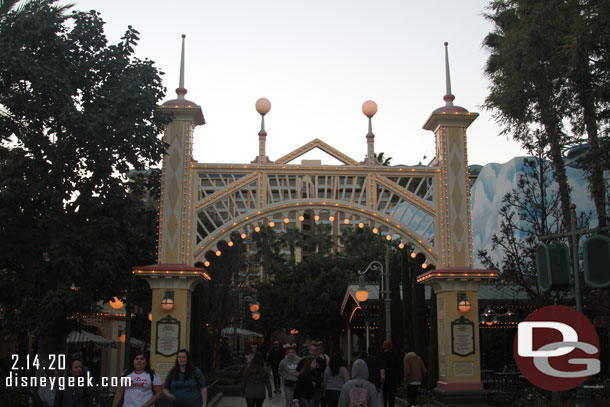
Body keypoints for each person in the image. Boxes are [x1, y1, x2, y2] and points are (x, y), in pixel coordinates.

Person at [380, 341, 401, 407]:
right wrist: (399, 382)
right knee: (392, 398)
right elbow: (399, 370)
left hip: (384, 381)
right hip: (393, 381)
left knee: (385, 396)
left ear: (383, 347)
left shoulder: (381, 357)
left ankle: (385, 405)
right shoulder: (395, 356)